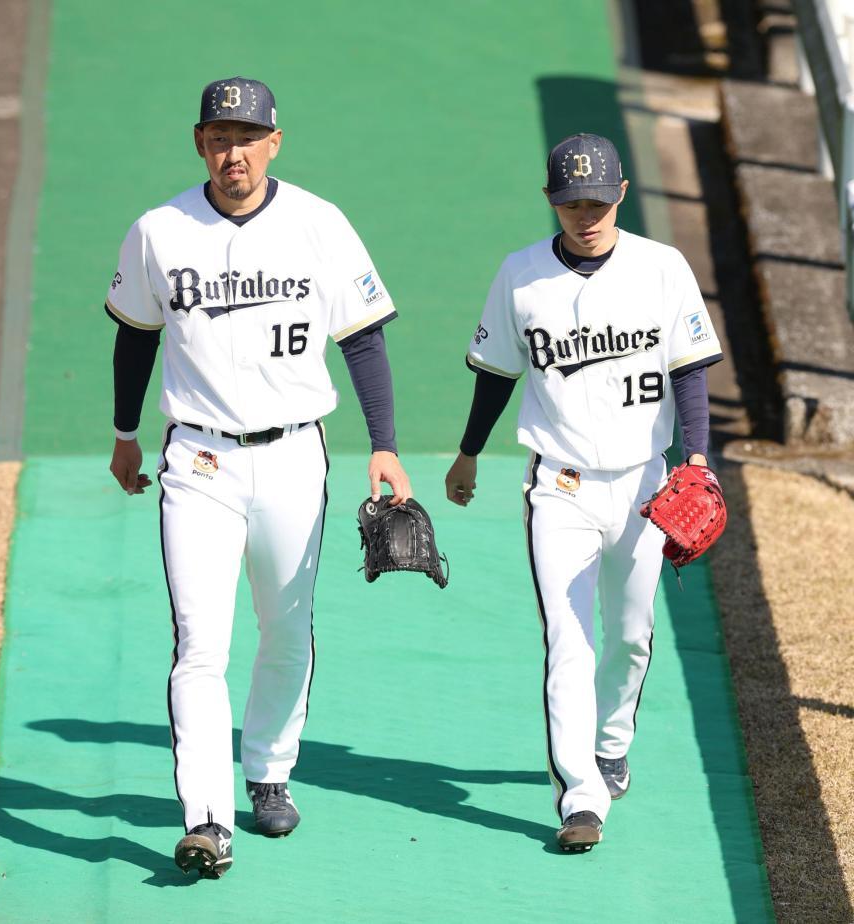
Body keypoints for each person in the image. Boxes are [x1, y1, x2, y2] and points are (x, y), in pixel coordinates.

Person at [105, 77, 412, 879]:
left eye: (246, 135)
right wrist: (125, 434)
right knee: (200, 644)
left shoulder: (319, 224)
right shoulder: (158, 231)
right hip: (196, 461)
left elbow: (364, 340)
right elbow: (135, 336)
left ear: (275, 142)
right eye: (217, 135)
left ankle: (269, 769)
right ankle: (206, 818)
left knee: (284, 625)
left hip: (292, 454)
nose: (231, 149)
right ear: (199, 142)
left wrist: (383, 445)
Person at [444, 133, 723, 852]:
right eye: (572, 202)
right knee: (569, 643)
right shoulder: (521, 275)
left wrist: (698, 458)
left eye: (597, 200)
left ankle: (611, 741)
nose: (585, 214)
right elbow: (496, 374)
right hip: (558, 487)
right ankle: (579, 796)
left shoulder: (662, 268)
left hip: (644, 484)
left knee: (631, 639)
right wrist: (469, 454)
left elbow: (691, 370)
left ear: (622, 194)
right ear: (551, 201)